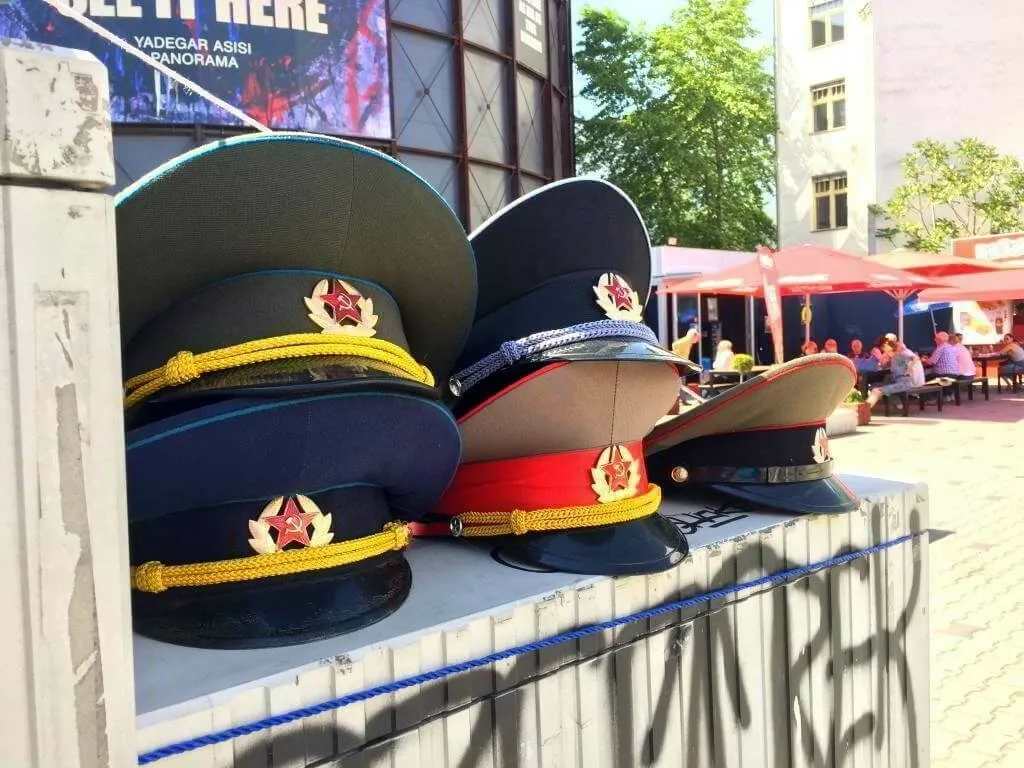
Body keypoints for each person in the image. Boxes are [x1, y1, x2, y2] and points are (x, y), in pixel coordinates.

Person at [867, 340, 918, 407]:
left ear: (892, 349)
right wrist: (885, 360)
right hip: (897, 381)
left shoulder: (900, 356)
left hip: (904, 383)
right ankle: (896, 402)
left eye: (886, 349)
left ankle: (865, 409)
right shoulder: (893, 358)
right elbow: (882, 366)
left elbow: (915, 357)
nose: (884, 351)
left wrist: (909, 367)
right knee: (874, 386)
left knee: (876, 391)